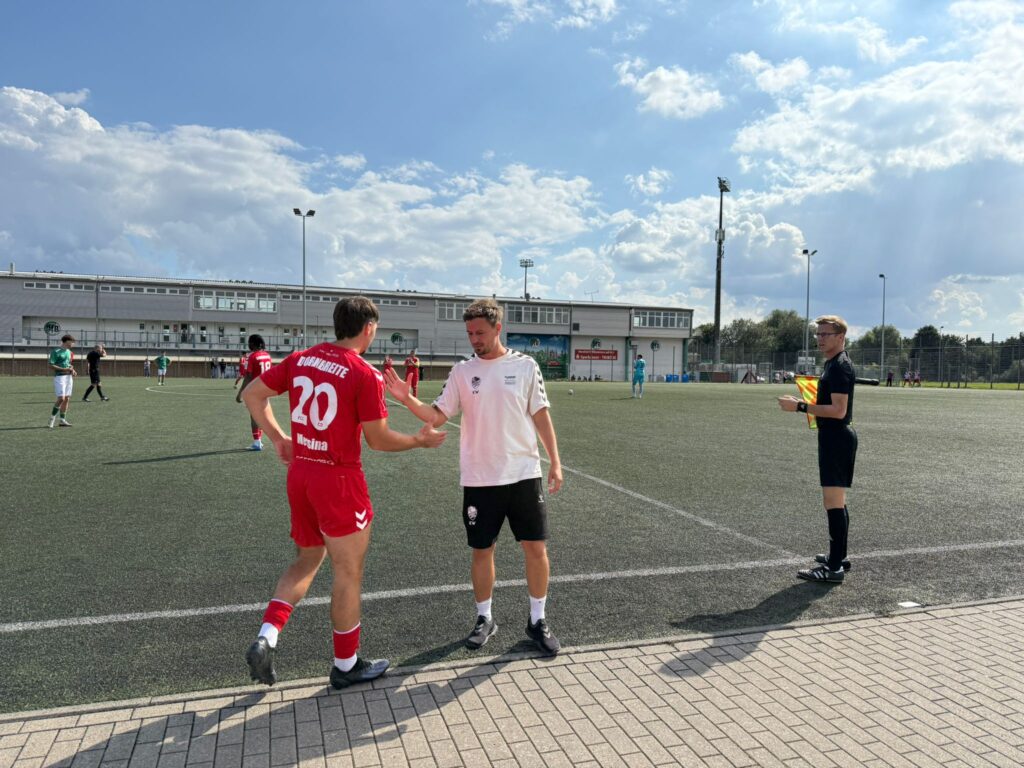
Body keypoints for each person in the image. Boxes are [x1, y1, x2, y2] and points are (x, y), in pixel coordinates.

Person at [241, 296, 446, 689]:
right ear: (369, 328)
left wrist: (280, 439)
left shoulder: (301, 358)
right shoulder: (363, 373)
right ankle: (346, 664)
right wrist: (419, 442)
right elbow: (379, 440)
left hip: (300, 474)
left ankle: (267, 636)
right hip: (338, 480)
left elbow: (253, 394)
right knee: (347, 572)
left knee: (305, 560)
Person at [386, 298, 564, 655]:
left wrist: (555, 462)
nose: (474, 339)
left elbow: (541, 415)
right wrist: (407, 400)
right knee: (482, 551)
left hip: (523, 474)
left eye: (480, 332)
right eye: (469, 333)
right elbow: (436, 415)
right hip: (480, 478)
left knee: (536, 548)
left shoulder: (526, 366)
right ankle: (485, 618)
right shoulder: (462, 372)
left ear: (499, 328)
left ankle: (537, 620)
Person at [777, 315, 856, 583]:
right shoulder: (832, 364)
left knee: (832, 502)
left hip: (837, 437)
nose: (820, 339)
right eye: (818, 335)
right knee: (837, 501)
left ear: (840, 337)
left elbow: (838, 410)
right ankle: (839, 556)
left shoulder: (839, 367)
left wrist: (800, 406)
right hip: (832, 437)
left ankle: (833, 568)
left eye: (825, 334)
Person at [236, 334, 273, 450]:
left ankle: (257, 443)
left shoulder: (252, 357)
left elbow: (248, 377)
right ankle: (259, 441)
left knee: (254, 417)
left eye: (249, 342)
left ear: (253, 344)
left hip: (255, 390)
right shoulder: (267, 355)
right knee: (260, 416)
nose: (248, 344)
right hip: (266, 389)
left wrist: (240, 393)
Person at [48, 334, 77, 428]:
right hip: (60, 377)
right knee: (61, 398)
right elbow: (51, 365)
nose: (73, 344)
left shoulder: (69, 352)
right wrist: (64, 369)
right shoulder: (56, 351)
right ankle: (51, 419)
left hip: (69, 378)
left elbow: (68, 364)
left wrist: (72, 370)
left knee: (67, 398)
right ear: (67, 341)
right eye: (72, 342)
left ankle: (62, 420)